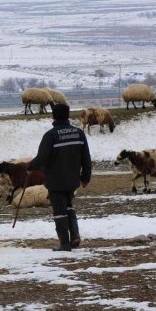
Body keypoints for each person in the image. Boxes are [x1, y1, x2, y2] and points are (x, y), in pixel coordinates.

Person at [27, 103, 92, 251]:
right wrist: (85, 177)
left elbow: (41, 158)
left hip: (55, 180)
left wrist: (29, 167)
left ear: (54, 116)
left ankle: (64, 243)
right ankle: (74, 236)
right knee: (69, 206)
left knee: (59, 211)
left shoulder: (51, 135)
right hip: (72, 180)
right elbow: (86, 157)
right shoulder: (78, 133)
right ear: (67, 115)